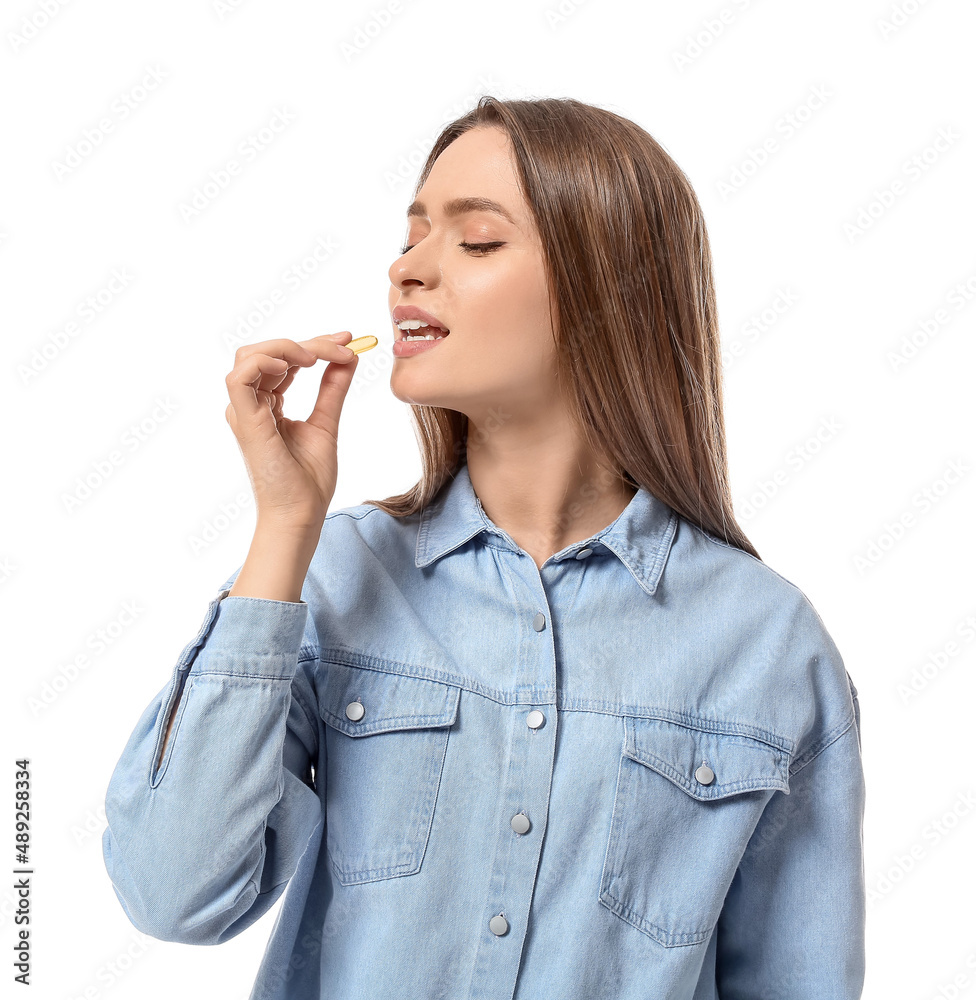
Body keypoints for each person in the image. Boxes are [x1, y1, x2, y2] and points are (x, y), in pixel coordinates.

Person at [101, 96, 866, 999]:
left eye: (475, 241)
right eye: (413, 234)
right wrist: (284, 529)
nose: (406, 269)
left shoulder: (769, 646)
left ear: (606, 286)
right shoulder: (335, 578)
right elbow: (174, 895)